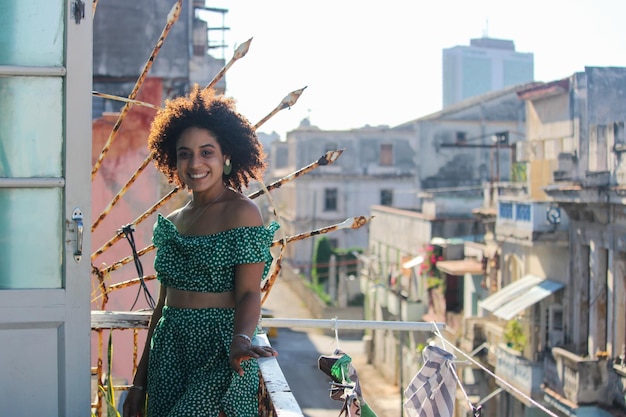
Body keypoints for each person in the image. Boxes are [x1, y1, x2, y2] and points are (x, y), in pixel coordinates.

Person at [122, 85, 279, 417]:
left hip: (220, 351)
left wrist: (240, 340)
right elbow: (163, 306)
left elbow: (250, 292)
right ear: (173, 160)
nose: (195, 163)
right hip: (170, 351)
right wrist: (139, 385)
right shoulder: (174, 223)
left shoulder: (242, 212)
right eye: (184, 153)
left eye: (207, 152)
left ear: (226, 156)